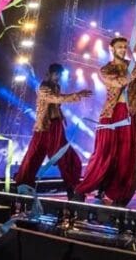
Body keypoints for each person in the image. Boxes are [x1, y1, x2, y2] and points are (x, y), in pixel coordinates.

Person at [75, 36, 136, 205]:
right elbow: (119, 82)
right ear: (112, 48)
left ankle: (118, 194)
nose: (123, 49)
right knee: (103, 153)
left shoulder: (134, 66)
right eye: (119, 47)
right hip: (111, 115)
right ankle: (82, 189)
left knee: (126, 155)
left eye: (125, 47)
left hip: (129, 115)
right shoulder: (106, 69)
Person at [15, 63, 92, 191]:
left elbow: (57, 104)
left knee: (65, 154)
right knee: (34, 155)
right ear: (50, 74)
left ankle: (72, 183)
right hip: (44, 127)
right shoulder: (44, 88)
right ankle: (23, 182)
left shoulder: (56, 86)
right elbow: (56, 99)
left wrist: (61, 115)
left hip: (56, 126)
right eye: (56, 74)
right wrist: (77, 95)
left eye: (60, 75)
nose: (58, 77)